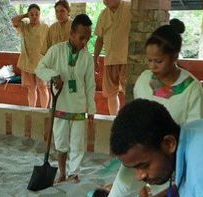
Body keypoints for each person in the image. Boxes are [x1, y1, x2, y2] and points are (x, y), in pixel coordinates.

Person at [79, 19, 203, 197]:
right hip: (138, 158)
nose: (153, 66)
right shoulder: (144, 80)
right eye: (149, 61)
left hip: (164, 161)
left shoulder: (192, 88)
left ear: (175, 56)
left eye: (159, 61)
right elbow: (134, 115)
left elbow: (194, 130)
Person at [36, 14, 95, 183]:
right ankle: (62, 173)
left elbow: (90, 85)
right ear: (71, 33)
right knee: (61, 143)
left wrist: (91, 109)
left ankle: (74, 173)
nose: (84, 42)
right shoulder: (56, 50)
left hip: (78, 107)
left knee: (77, 144)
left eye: (88, 38)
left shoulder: (87, 58)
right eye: (82, 37)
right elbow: (39, 68)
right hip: (60, 104)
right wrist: (54, 76)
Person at [93, 0, 131, 115]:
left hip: (127, 60)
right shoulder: (104, 14)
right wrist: (95, 59)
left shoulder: (130, 7)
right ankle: (113, 119)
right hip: (110, 60)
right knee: (110, 94)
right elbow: (99, 39)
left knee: (129, 93)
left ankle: (131, 120)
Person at [11, 4, 50, 108]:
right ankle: (31, 110)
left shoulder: (45, 27)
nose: (34, 16)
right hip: (27, 61)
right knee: (31, 88)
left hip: (41, 62)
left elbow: (50, 43)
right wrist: (25, 15)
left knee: (43, 87)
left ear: (40, 14)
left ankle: (44, 111)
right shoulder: (24, 25)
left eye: (36, 14)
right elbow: (14, 20)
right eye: (32, 14)